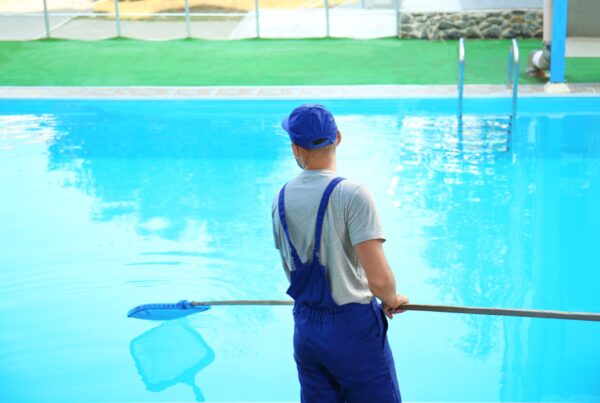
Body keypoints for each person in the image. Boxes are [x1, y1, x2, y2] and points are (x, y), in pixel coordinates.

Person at [271, 104, 409, 403]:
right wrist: (392, 299)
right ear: (338, 137)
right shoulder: (352, 194)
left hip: (306, 330)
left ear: (295, 147)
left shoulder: (280, 198)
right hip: (353, 332)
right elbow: (379, 279)